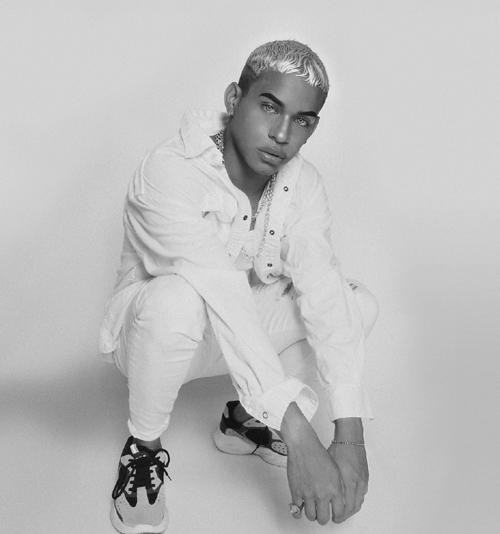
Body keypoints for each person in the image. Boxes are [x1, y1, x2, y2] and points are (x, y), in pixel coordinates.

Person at [100, 39, 378, 533]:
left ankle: (247, 422)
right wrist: (300, 435)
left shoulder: (303, 184)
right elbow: (221, 296)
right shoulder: (168, 172)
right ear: (234, 99)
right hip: (157, 339)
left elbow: (322, 292)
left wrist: (350, 437)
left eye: (302, 120)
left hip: (239, 333)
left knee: (354, 302)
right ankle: (143, 449)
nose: (282, 134)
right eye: (269, 106)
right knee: (176, 300)